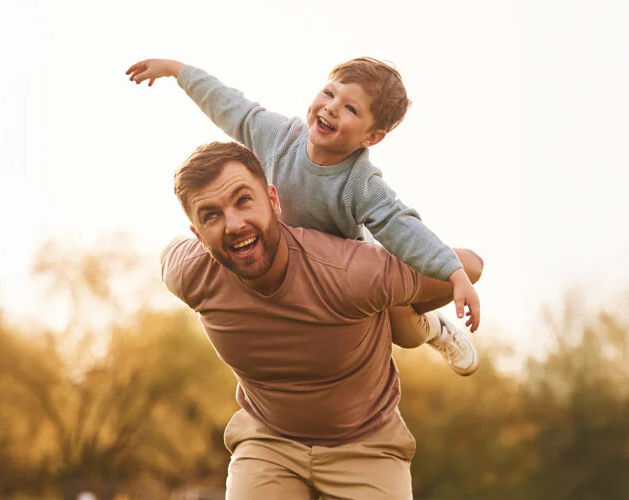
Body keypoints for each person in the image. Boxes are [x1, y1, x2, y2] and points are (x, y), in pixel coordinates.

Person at [161, 141, 483, 498]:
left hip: (366, 445)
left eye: (243, 200)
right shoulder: (190, 272)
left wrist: (405, 302)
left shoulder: (348, 271)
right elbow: (168, 254)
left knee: (404, 327)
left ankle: (429, 326)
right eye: (211, 215)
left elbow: (471, 266)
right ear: (197, 235)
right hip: (269, 442)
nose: (234, 224)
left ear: (273, 200)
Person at [128, 56, 482, 375]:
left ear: (372, 137)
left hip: (343, 272)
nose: (330, 109)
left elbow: (399, 224)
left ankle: (437, 329)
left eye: (350, 110)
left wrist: (453, 273)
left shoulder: (361, 183)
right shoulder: (280, 136)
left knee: (403, 333)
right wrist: (177, 71)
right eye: (329, 94)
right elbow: (230, 105)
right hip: (284, 261)